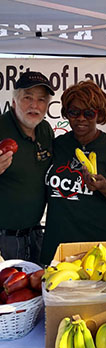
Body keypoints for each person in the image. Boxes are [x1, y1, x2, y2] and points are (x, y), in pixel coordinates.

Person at [40, 80, 106, 265]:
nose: (81, 118)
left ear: (99, 115)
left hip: (99, 249)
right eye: (74, 112)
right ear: (66, 113)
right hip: (58, 247)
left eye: (89, 113)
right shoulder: (57, 145)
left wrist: (105, 188)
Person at [0, 71, 54, 264]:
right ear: (14, 102)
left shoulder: (45, 130)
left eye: (41, 100)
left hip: (35, 234)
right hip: (3, 239)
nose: (34, 105)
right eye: (27, 98)